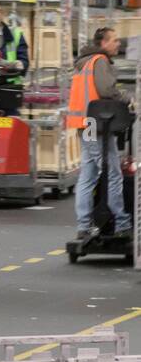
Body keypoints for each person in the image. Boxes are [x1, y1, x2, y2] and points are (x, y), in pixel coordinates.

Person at [69, 26, 132, 242]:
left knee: (88, 174)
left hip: (85, 124)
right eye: (114, 40)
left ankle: (83, 225)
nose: (118, 44)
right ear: (103, 43)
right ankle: (122, 222)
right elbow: (107, 90)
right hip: (98, 125)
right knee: (113, 173)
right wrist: (126, 98)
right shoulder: (100, 61)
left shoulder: (84, 62)